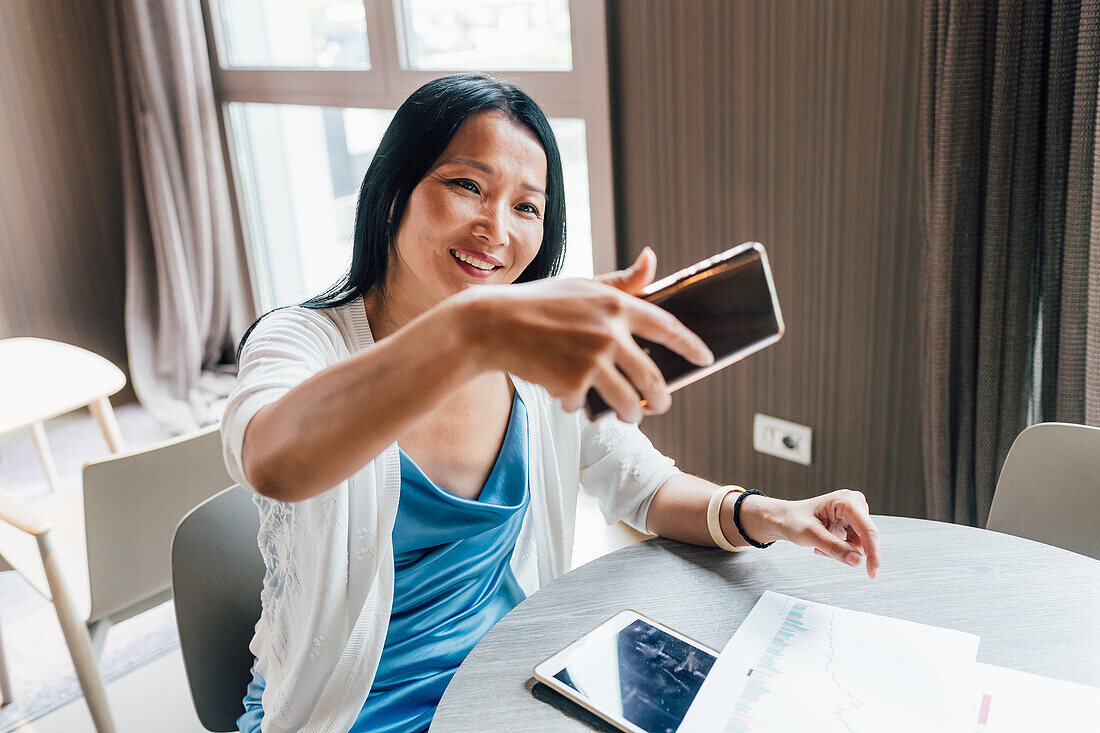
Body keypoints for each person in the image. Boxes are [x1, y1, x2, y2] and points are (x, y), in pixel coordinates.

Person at [222, 73, 881, 733]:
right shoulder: (299, 339)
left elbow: (643, 486)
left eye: (526, 207)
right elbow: (275, 461)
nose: (495, 229)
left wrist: (771, 513)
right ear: (395, 189)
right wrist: (476, 329)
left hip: (508, 687)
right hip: (346, 713)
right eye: (466, 186)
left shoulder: (530, 357)